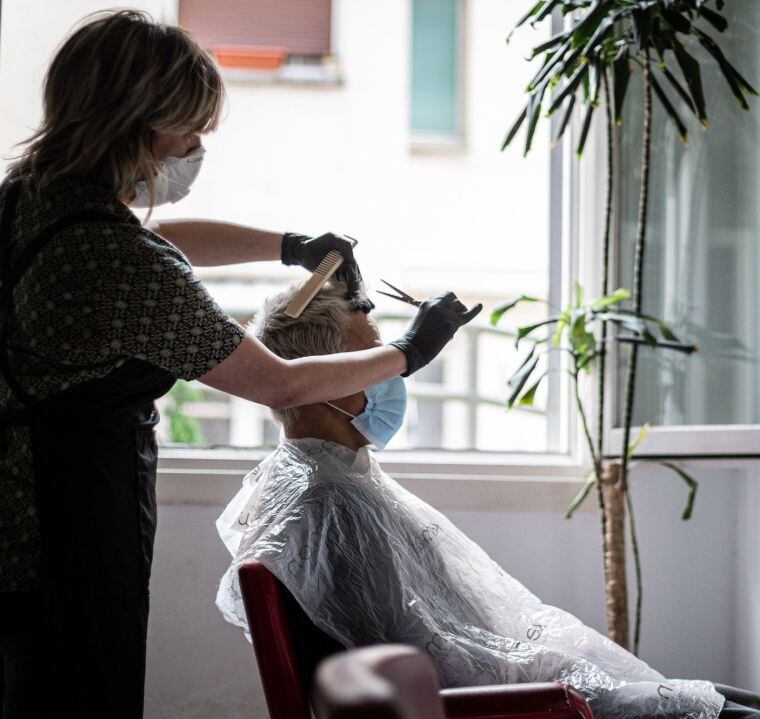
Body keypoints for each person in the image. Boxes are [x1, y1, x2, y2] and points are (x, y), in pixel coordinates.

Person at [0, 10, 479, 718]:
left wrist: (289, 245)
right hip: (65, 535)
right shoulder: (115, 261)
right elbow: (274, 381)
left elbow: (155, 239)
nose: (197, 146)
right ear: (136, 123)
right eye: (189, 130)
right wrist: (408, 352)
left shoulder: (31, 196)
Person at [216, 284, 760, 719]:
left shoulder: (317, 480)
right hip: (506, 705)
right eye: (374, 356)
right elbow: (431, 662)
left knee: (738, 703)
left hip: (511, 684)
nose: (393, 371)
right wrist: (561, 675)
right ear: (322, 379)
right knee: (745, 713)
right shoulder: (329, 504)